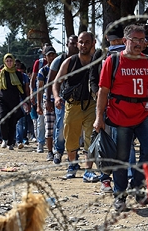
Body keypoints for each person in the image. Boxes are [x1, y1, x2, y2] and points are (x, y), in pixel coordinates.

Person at [93, 24, 148, 212]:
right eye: (135, 40)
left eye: (143, 40)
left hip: (144, 114)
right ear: (125, 41)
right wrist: (99, 117)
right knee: (121, 158)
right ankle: (120, 196)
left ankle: (138, 185)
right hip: (119, 116)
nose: (140, 43)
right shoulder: (113, 61)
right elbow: (103, 91)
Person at [53, 31, 99, 182]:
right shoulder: (70, 62)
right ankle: (72, 165)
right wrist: (57, 97)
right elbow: (56, 82)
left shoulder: (97, 62)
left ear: (93, 43)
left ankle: (88, 170)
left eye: (86, 42)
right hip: (72, 105)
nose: (83, 45)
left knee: (90, 138)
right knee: (71, 139)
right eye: (81, 42)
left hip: (91, 105)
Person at [89, 21, 126, 193]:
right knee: (104, 145)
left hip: (124, 107)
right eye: (113, 41)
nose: (116, 44)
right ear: (107, 39)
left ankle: (126, 179)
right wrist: (98, 95)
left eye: (118, 40)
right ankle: (105, 179)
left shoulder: (129, 54)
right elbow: (93, 79)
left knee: (125, 146)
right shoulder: (100, 55)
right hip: (105, 105)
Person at [46, 35, 78, 164]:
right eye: (72, 43)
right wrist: (49, 99)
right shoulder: (59, 60)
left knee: (74, 129)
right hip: (62, 99)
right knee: (60, 126)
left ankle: (73, 155)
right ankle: (58, 151)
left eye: (77, 43)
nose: (75, 46)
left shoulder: (83, 60)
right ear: (67, 45)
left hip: (78, 100)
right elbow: (50, 81)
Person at [0, 53, 30, 150]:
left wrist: (26, 102)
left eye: (11, 61)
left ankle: (10, 142)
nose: (9, 63)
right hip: (1, 100)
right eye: (7, 61)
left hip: (14, 101)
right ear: (4, 62)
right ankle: (5, 138)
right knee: (3, 118)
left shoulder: (18, 74)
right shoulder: (0, 73)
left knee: (12, 122)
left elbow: (22, 89)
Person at [30, 43, 53, 153]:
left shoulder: (59, 66)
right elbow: (34, 80)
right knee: (41, 122)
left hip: (55, 98)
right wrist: (32, 93)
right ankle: (40, 143)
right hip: (43, 96)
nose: (51, 57)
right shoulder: (39, 65)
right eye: (47, 53)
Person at [37, 46, 58, 161]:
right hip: (48, 100)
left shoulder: (60, 68)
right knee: (49, 127)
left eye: (52, 55)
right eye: (49, 55)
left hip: (59, 100)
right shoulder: (43, 71)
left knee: (60, 127)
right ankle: (49, 151)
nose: (51, 57)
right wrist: (39, 105)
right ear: (45, 57)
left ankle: (58, 150)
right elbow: (40, 89)